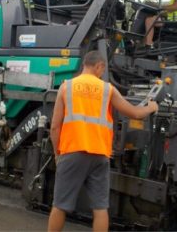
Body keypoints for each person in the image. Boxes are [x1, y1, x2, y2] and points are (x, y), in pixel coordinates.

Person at [47, 51, 159, 232]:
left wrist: (57, 153)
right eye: (102, 70)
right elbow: (135, 113)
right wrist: (151, 107)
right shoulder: (108, 89)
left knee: (60, 205)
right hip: (99, 155)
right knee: (100, 208)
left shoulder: (66, 87)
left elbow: (54, 127)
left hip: (72, 151)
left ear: (85, 64)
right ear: (98, 66)